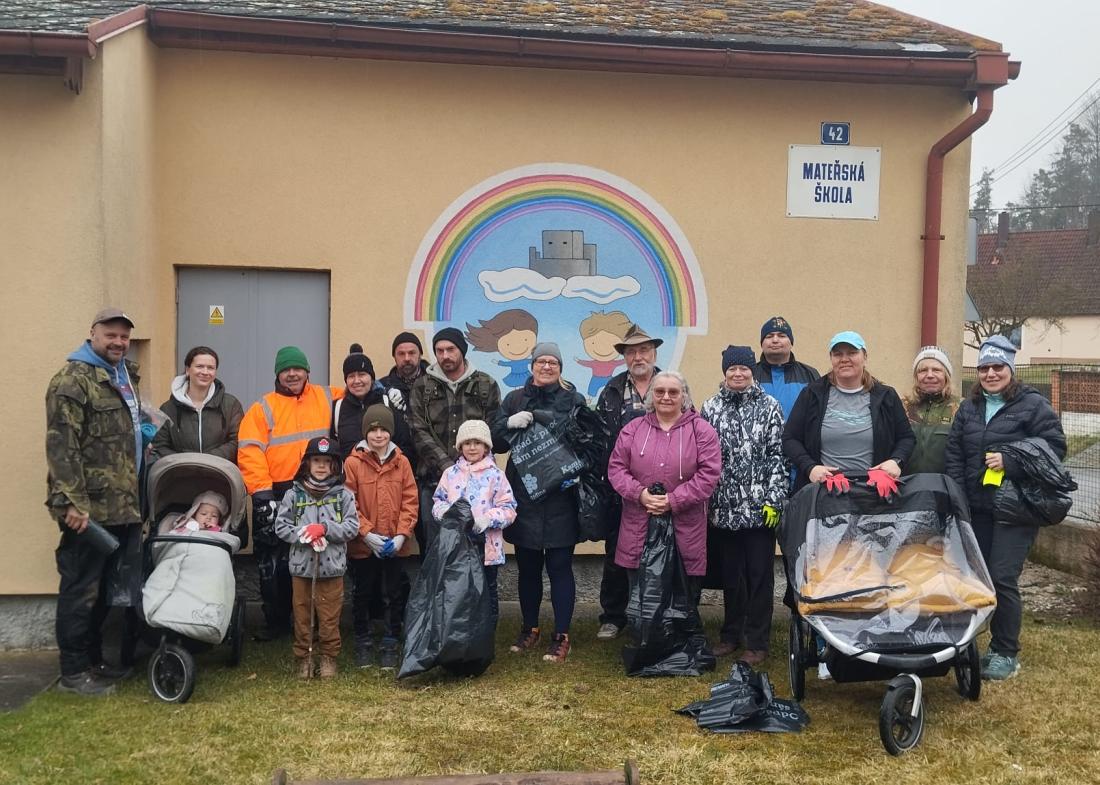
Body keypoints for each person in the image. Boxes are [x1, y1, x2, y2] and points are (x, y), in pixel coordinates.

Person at [945, 335, 1066, 681]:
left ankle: (1005, 652)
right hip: (977, 507)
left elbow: (1055, 448)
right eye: (984, 367)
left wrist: (1011, 460)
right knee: (977, 577)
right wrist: (957, 497)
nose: (991, 374)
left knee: (1001, 577)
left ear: (1010, 370)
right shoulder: (969, 408)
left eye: (998, 367)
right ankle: (969, 643)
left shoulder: (1033, 405)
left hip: (1016, 508)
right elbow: (955, 454)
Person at [45, 307, 143, 696]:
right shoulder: (72, 381)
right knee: (80, 589)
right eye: (111, 335)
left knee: (105, 589)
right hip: (88, 510)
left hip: (122, 504)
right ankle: (73, 672)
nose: (118, 342)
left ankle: (94, 661)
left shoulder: (122, 377)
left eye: (124, 336)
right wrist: (71, 504)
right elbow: (61, 448)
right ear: (93, 334)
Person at [492, 343, 593, 663]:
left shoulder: (573, 400)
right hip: (524, 494)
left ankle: (562, 635)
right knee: (528, 568)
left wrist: (577, 472)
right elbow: (494, 440)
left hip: (561, 496)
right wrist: (509, 423)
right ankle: (530, 628)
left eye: (553, 362)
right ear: (532, 365)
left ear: (561, 367)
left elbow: (588, 442)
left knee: (561, 567)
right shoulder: (514, 399)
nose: (547, 366)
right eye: (541, 361)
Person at [607, 370, 721, 648]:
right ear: (650, 397)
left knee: (684, 589)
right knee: (641, 588)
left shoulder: (701, 430)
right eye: (660, 392)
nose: (666, 397)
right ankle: (645, 642)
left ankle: (680, 645)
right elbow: (616, 469)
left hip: (686, 526)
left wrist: (674, 500)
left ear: (684, 396)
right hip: (639, 523)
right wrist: (640, 494)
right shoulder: (633, 430)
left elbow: (709, 474)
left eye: (673, 392)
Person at [238, 346, 344, 640]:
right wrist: (261, 494)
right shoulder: (263, 408)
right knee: (273, 563)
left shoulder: (327, 396)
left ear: (307, 372)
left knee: (316, 556)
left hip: (317, 489)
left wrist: (383, 390)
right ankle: (277, 622)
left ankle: (317, 621)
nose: (292, 374)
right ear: (278, 374)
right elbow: (249, 450)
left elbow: (359, 391)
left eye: (298, 368)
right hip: (277, 492)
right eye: (286, 369)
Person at [701, 346, 789, 664]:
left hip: (759, 510)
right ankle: (730, 635)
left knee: (759, 576)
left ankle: (757, 641)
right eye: (732, 369)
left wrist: (774, 500)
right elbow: (704, 458)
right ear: (724, 372)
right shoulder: (710, 407)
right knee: (731, 577)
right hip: (723, 509)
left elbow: (778, 456)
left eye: (744, 369)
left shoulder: (769, 407)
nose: (738, 374)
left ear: (753, 372)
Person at [593, 324, 663, 641]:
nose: (638, 356)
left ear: (654, 353)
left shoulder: (670, 385)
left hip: (663, 490)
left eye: (644, 350)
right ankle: (613, 615)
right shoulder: (610, 391)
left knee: (663, 551)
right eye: (632, 351)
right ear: (624, 357)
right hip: (619, 489)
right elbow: (598, 440)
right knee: (617, 553)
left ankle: (659, 613)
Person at [782, 331, 914, 492]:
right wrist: (810, 467)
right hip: (824, 492)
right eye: (838, 354)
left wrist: (896, 461)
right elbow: (790, 438)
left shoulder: (886, 396)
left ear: (865, 357)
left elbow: (906, 438)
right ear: (831, 358)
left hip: (873, 492)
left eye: (852, 353)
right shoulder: (812, 394)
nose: (844, 359)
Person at [409, 328, 504, 551]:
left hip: (479, 485)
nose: (445, 355)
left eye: (450, 349)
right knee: (435, 550)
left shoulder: (485, 384)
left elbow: (491, 432)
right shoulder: (422, 387)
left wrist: (467, 469)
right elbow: (418, 430)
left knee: (477, 548)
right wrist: (449, 468)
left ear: (462, 350)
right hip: (434, 485)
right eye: (439, 351)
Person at [273, 436, 359, 679]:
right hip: (302, 568)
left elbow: (353, 527)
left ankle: (329, 657)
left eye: (327, 461)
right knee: (303, 615)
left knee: (329, 616)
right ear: (307, 464)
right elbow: (281, 527)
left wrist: (327, 529)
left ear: (335, 466)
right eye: (316, 460)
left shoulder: (344, 495)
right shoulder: (294, 495)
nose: (321, 466)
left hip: (332, 569)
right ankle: (305, 657)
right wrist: (302, 535)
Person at [343, 404, 419, 670]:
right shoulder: (353, 462)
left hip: (394, 544)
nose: (378, 435)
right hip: (364, 544)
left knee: (393, 593)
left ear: (391, 432)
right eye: (373, 430)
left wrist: (401, 535)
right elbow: (348, 502)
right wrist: (366, 534)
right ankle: (362, 640)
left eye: (383, 430)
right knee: (363, 592)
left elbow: (410, 500)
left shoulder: (402, 461)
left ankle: (390, 639)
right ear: (366, 432)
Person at [432, 419, 518, 625]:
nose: (472, 447)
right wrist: (448, 515)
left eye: (477, 443)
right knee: (458, 591)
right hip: (457, 548)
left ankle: (486, 635)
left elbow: (509, 508)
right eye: (467, 442)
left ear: (486, 446)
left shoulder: (496, 475)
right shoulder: (450, 474)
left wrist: (487, 519)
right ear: (460, 446)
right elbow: (438, 502)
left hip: (487, 548)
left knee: (487, 590)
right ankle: (460, 635)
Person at [150, 346, 244, 463]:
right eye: (199, 366)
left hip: (219, 476)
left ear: (215, 372)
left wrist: (206, 461)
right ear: (188, 370)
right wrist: (187, 463)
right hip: (180, 476)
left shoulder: (231, 405)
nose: (205, 372)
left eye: (210, 368)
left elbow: (237, 441)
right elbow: (160, 445)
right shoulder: (168, 409)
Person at [331, 343, 414, 461]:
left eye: (362, 375)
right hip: (350, 478)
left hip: (385, 476)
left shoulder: (388, 403)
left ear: (372, 377)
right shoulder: (337, 409)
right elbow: (333, 451)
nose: (357, 381)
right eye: (351, 376)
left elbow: (405, 445)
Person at [902, 346, 961, 474]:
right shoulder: (902, 407)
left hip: (946, 486)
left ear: (946, 375)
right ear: (916, 376)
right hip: (905, 486)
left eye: (936, 370)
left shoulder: (961, 408)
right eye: (923, 370)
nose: (929, 375)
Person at [379, 331, 428, 474]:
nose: (407, 358)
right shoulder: (382, 389)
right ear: (394, 356)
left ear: (420, 354)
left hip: (431, 469)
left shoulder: (435, 384)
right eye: (401, 354)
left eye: (412, 353)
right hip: (395, 468)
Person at [753, 316, 821, 419]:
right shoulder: (750, 375)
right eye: (769, 336)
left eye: (781, 335)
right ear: (762, 343)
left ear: (791, 342)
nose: (775, 340)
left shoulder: (809, 374)